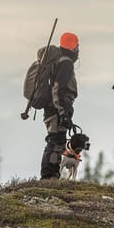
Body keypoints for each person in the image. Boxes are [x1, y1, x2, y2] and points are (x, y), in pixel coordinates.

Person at [40, 32, 79, 179]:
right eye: (77, 46)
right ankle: (49, 176)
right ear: (73, 46)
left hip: (52, 108)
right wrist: (63, 113)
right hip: (57, 109)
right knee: (56, 142)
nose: (78, 50)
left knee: (55, 140)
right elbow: (58, 89)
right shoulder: (65, 63)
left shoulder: (58, 61)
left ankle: (51, 175)